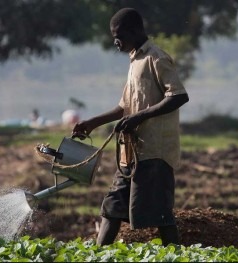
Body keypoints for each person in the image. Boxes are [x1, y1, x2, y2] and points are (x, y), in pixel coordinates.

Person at [72, 8, 189, 246]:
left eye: (119, 35)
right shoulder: (135, 60)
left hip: (155, 152)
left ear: (135, 31)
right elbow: (124, 107)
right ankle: (96, 254)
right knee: (112, 206)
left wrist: (140, 117)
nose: (116, 41)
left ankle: (177, 254)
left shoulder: (156, 58)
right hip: (131, 153)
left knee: (161, 212)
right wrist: (92, 123)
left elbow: (178, 96)